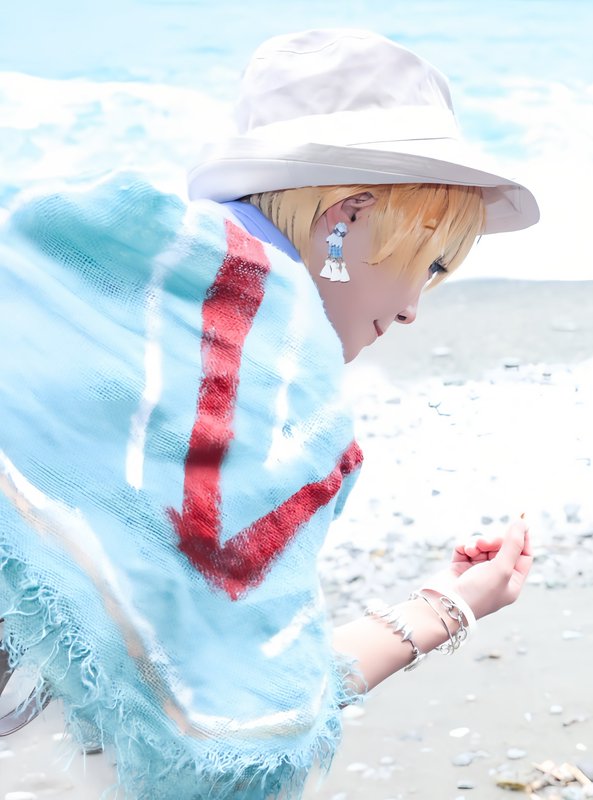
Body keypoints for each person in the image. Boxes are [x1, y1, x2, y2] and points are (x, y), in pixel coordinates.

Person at [0, 29, 538, 799]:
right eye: (428, 263)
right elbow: (228, 728)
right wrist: (445, 608)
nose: (413, 308)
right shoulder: (272, 370)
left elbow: (173, 655)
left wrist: (449, 604)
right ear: (345, 217)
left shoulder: (83, 258)